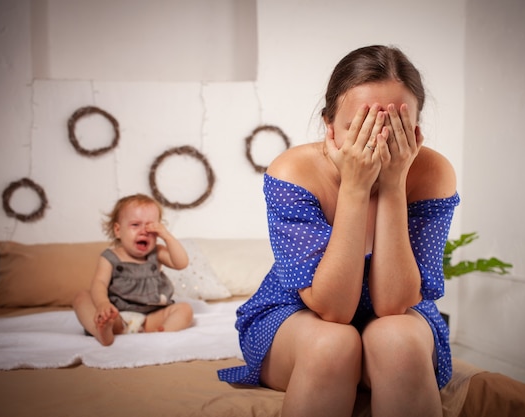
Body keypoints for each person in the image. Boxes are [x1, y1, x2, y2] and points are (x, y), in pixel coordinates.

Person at [218, 45, 459, 417]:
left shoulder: (432, 173)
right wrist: (355, 188)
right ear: (329, 124)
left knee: (399, 340)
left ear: (416, 129)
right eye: (360, 126)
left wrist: (394, 184)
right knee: (333, 343)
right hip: (299, 316)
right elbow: (333, 309)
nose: (377, 142)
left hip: (397, 316)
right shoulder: (294, 171)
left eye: (393, 127)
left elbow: (395, 305)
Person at [73, 193, 194, 346]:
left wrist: (167, 236)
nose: (144, 231)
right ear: (118, 230)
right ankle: (102, 331)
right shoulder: (110, 257)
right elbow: (100, 283)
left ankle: (163, 333)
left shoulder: (157, 252)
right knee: (82, 297)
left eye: (151, 226)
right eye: (135, 225)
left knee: (184, 309)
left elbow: (181, 263)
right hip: (116, 317)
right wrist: (103, 304)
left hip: (150, 319)